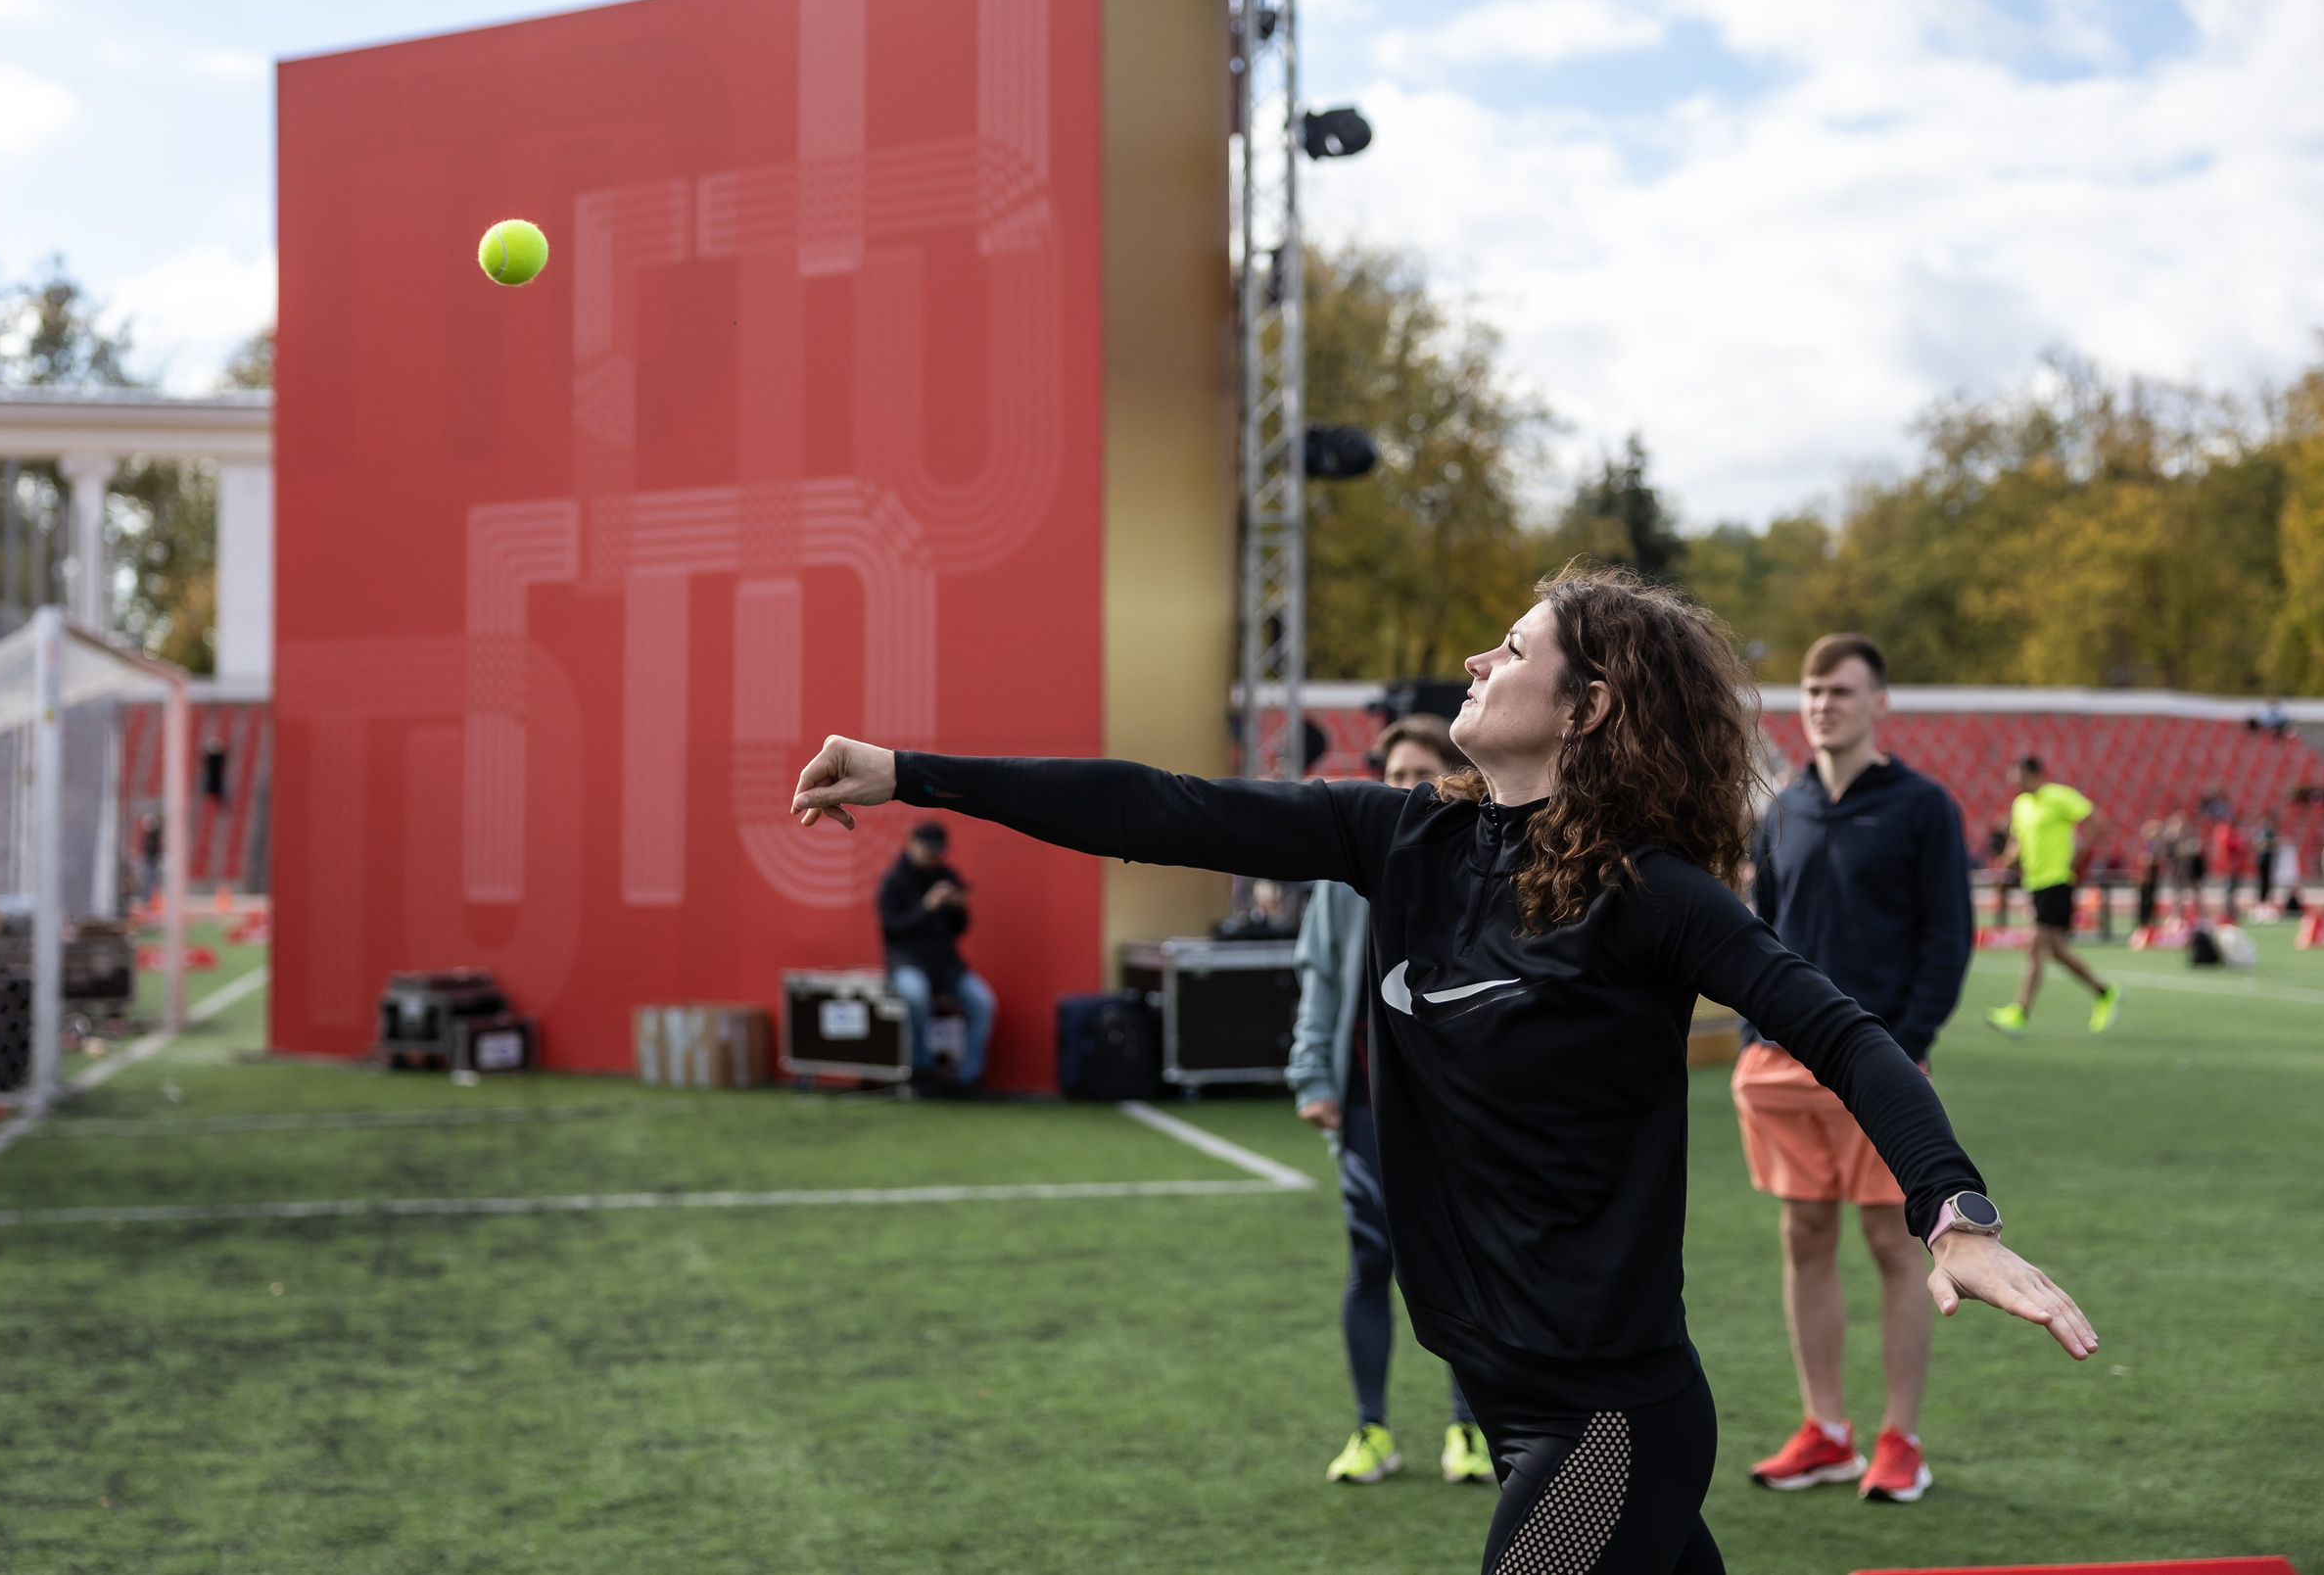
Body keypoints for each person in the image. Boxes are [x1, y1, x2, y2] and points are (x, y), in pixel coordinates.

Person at [794, 566, 2097, 1575]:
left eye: (1516, 648)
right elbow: (1163, 807)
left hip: (1606, 1418)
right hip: (1507, 1388)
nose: (1480, 659)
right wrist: (912, 772)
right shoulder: (1409, 838)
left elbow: (1847, 1030)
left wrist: (1955, 1211)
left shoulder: (1655, 897)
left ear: (1584, 709)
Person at [1736, 635, 1970, 1503]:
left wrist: (1901, 1044)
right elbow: (1756, 932)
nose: (1822, 704)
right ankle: (1824, 1429)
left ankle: (1899, 1438)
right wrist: (1760, 1028)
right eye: (1811, 690)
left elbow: (1949, 937)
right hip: (1781, 1068)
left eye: (1840, 690)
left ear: (1879, 703)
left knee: (1892, 1243)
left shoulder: (1922, 807)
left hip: (1880, 1064)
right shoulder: (1784, 809)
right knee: (1803, 1236)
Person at [1290, 714, 1491, 1487]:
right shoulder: (1349, 871)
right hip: (1368, 1100)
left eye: (1422, 775)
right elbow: (1321, 975)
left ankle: (1467, 1433)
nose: (1407, 788)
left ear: (1453, 784)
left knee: (1464, 1266)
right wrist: (1313, 1077)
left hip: (1458, 1109)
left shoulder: (1481, 868)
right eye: (1396, 772)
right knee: (1372, 1255)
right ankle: (1372, 1430)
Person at [1986, 758, 2119, 1036]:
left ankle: (2019, 1011)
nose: (2017, 784)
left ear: (2035, 775)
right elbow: (2017, 841)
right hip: (2034, 882)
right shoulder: (2020, 805)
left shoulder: (2059, 796)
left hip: (2057, 880)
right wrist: (2007, 864)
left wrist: (2080, 856)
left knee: (2035, 947)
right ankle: (2104, 992)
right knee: (2057, 950)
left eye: (2020, 777)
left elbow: (2096, 820)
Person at [875, 821, 996, 1093]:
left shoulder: (947, 876)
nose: (933, 857)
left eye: (937, 851)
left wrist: (958, 908)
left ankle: (967, 1078)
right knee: (916, 995)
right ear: (912, 843)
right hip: (907, 961)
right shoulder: (893, 881)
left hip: (946, 964)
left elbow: (959, 929)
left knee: (983, 1002)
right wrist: (927, 907)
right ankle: (922, 1070)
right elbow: (891, 930)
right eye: (928, 850)